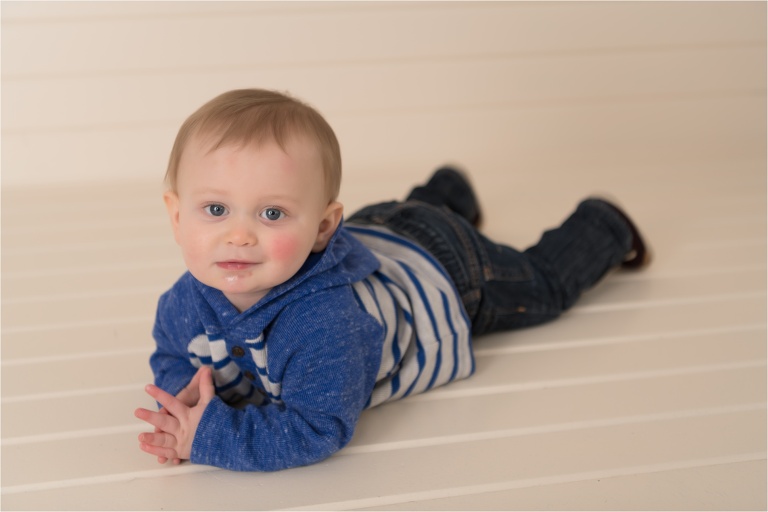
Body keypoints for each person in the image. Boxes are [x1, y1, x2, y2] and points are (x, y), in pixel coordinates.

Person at [134, 88, 651, 472]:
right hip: (381, 229)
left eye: (272, 213)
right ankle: (447, 191)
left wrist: (208, 436)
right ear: (176, 216)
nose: (239, 236)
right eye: (216, 209)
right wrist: (180, 407)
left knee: (543, 285)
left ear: (322, 228)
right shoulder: (185, 300)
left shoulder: (323, 326)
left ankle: (602, 226)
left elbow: (318, 427)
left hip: (450, 271)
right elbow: (173, 353)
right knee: (413, 214)